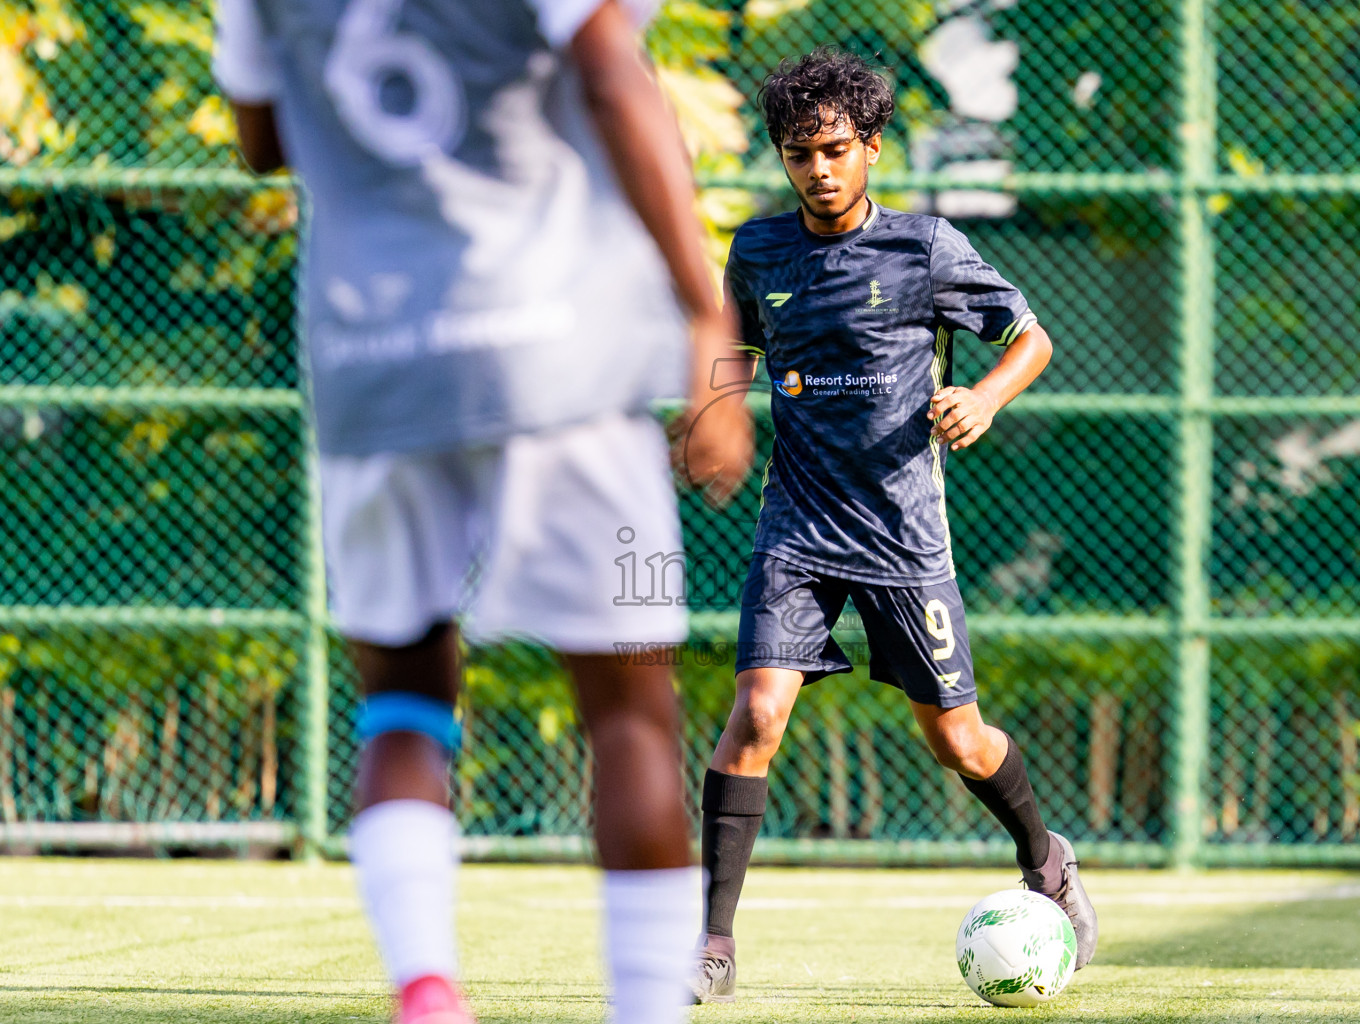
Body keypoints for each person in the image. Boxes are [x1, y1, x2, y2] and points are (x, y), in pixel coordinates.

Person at [213, 2, 753, 1023]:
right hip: (561, 363)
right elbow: (610, 66)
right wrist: (703, 308)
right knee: (632, 713)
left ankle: (426, 988)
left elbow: (258, 137)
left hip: (372, 361)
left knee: (402, 702)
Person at [690, 48, 1096, 1004]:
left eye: (834, 150)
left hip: (905, 538)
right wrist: (715, 411)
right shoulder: (759, 251)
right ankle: (712, 942)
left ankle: (1045, 858)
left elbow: (1030, 337)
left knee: (959, 744)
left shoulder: (926, 248)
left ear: (871, 147)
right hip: (796, 527)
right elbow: (731, 351)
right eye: (799, 154)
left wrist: (985, 398)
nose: (818, 170)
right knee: (757, 714)